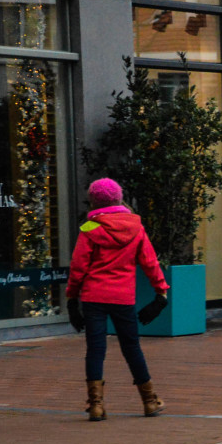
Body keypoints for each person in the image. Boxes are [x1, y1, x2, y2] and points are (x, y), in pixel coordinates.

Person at [65, 178, 169, 421]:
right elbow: (150, 262)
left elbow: (78, 267)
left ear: (93, 201)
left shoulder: (89, 228)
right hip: (123, 297)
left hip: (94, 297)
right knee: (132, 347)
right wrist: (161, 292)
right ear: (119, 198)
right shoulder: (136, 227)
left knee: (95, 350)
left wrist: (72, 298)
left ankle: (96, 406)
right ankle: (150, 401)